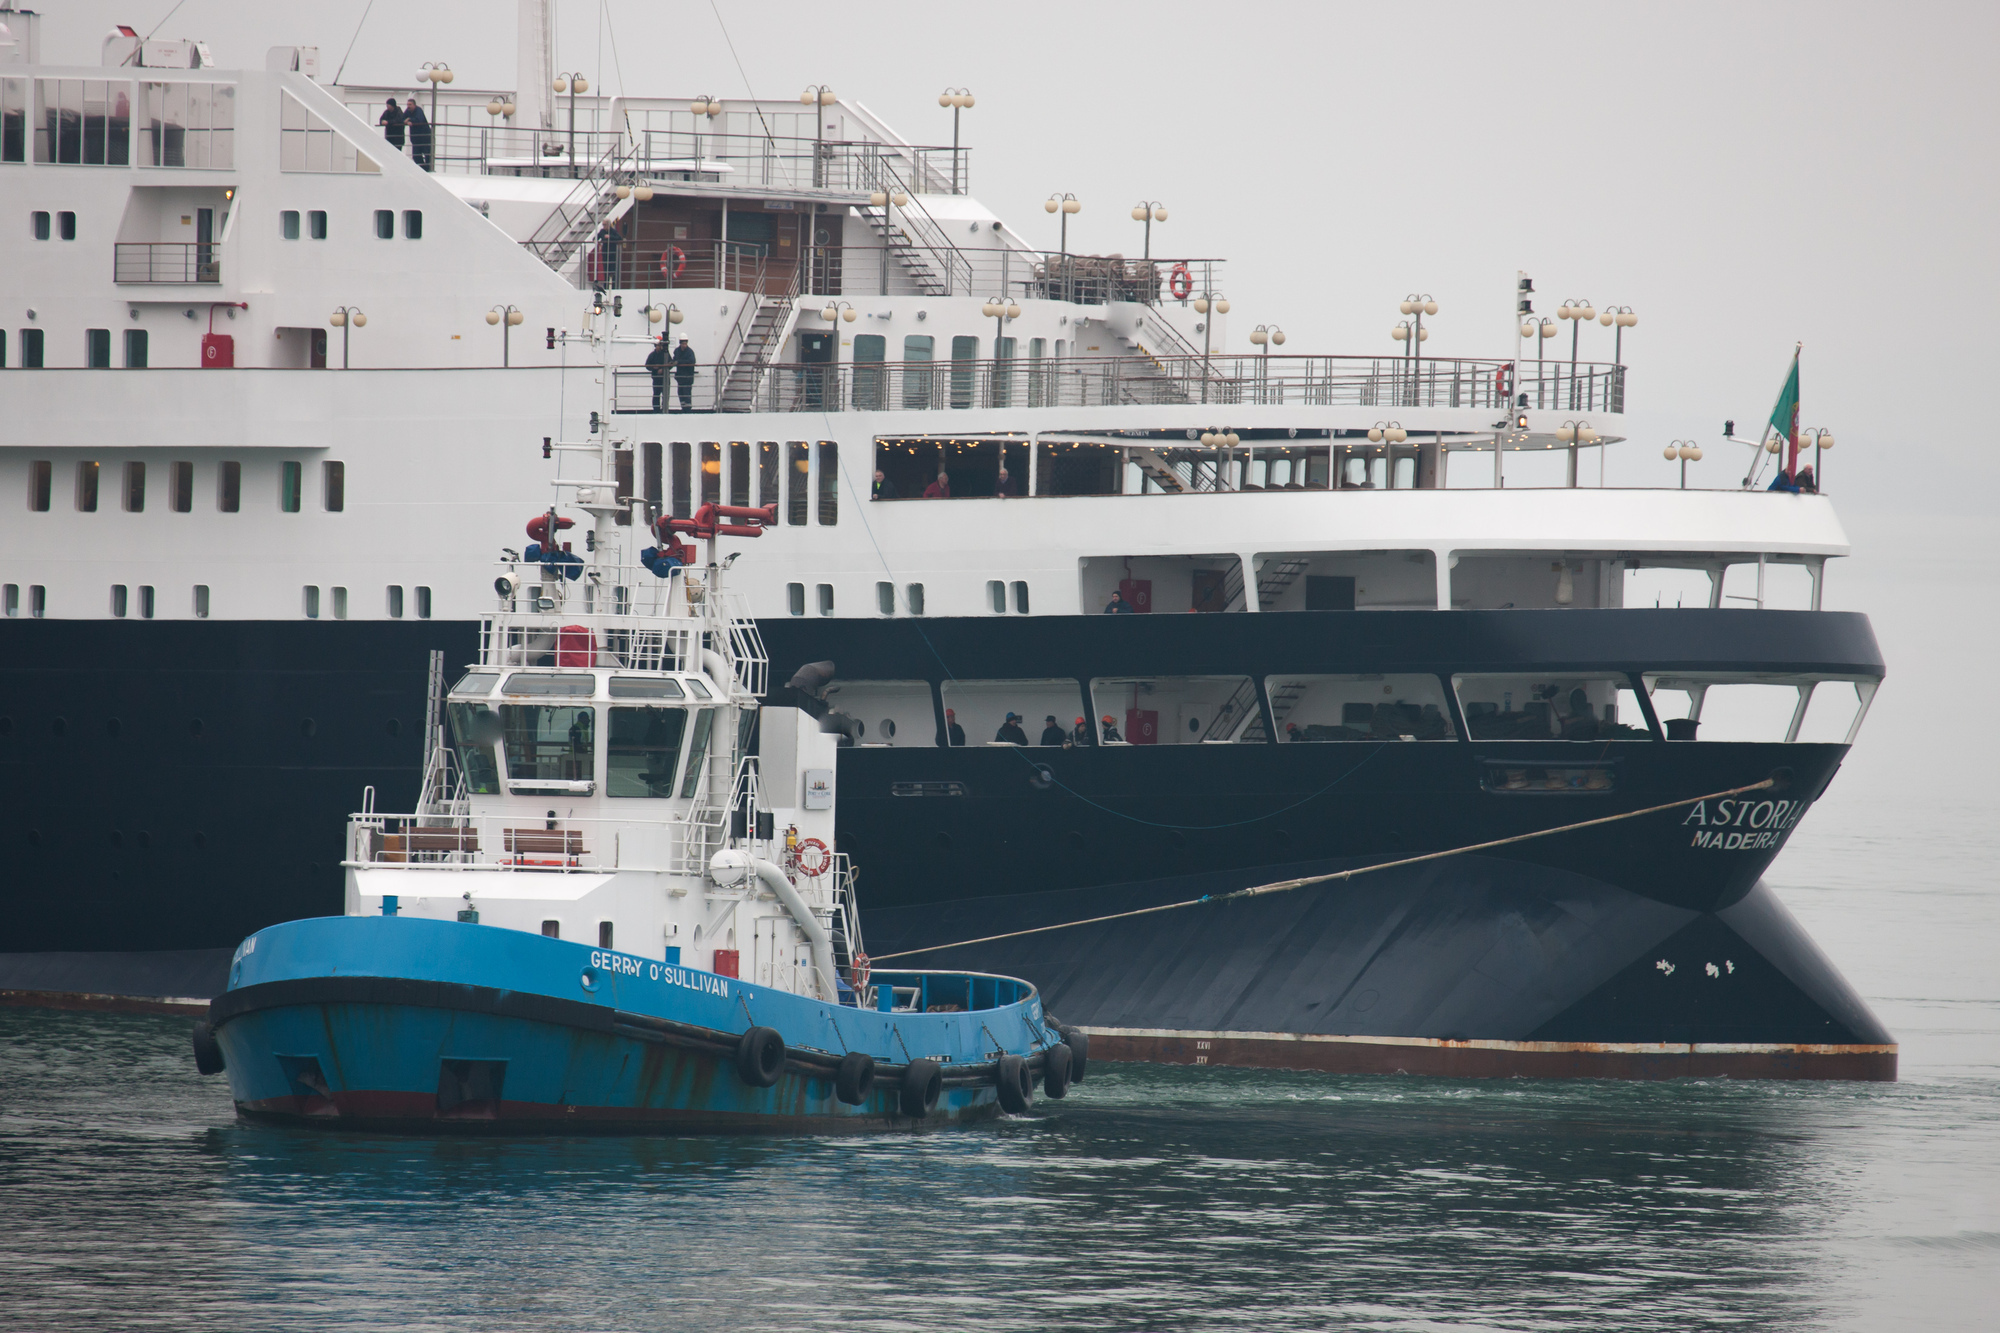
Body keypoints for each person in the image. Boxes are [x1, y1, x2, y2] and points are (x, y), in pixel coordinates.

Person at [403, 98, 432, 171]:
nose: (408, 106)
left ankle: (427, 169)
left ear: (414, 105)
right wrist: (406, 121)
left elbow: (419, 119)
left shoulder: (418, 110)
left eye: (410, 104)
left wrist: (409, 119)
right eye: (407, 104)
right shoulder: (408, 111)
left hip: (424, 137)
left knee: (427, 154)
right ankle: (423, 169)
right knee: (416, 156)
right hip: (415, 138)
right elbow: (402, 118)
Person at [644, 334, 669, 413]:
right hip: (656, 379)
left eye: (659, 345)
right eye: (657, 345)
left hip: (665, 379)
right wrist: (653, 367)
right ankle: (656, 410)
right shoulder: (652, 355)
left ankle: (664, 410)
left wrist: (663, 369)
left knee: (665, 395)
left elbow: (670, 363)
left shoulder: (666, 354)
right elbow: (647, 365)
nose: (658, 347)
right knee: (656, 395)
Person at [672, 338, 697, 411]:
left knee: (686, 394)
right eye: (683, 344)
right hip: (680, 378)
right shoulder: (677, 351)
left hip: (687, 378)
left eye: (685, 344)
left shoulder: (689, 352)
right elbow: (674, 359)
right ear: (680, 344)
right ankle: (683, 408)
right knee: (681, 393)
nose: (684, 345)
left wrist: (678, 362)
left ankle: (687, 410)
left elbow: (691, 361)